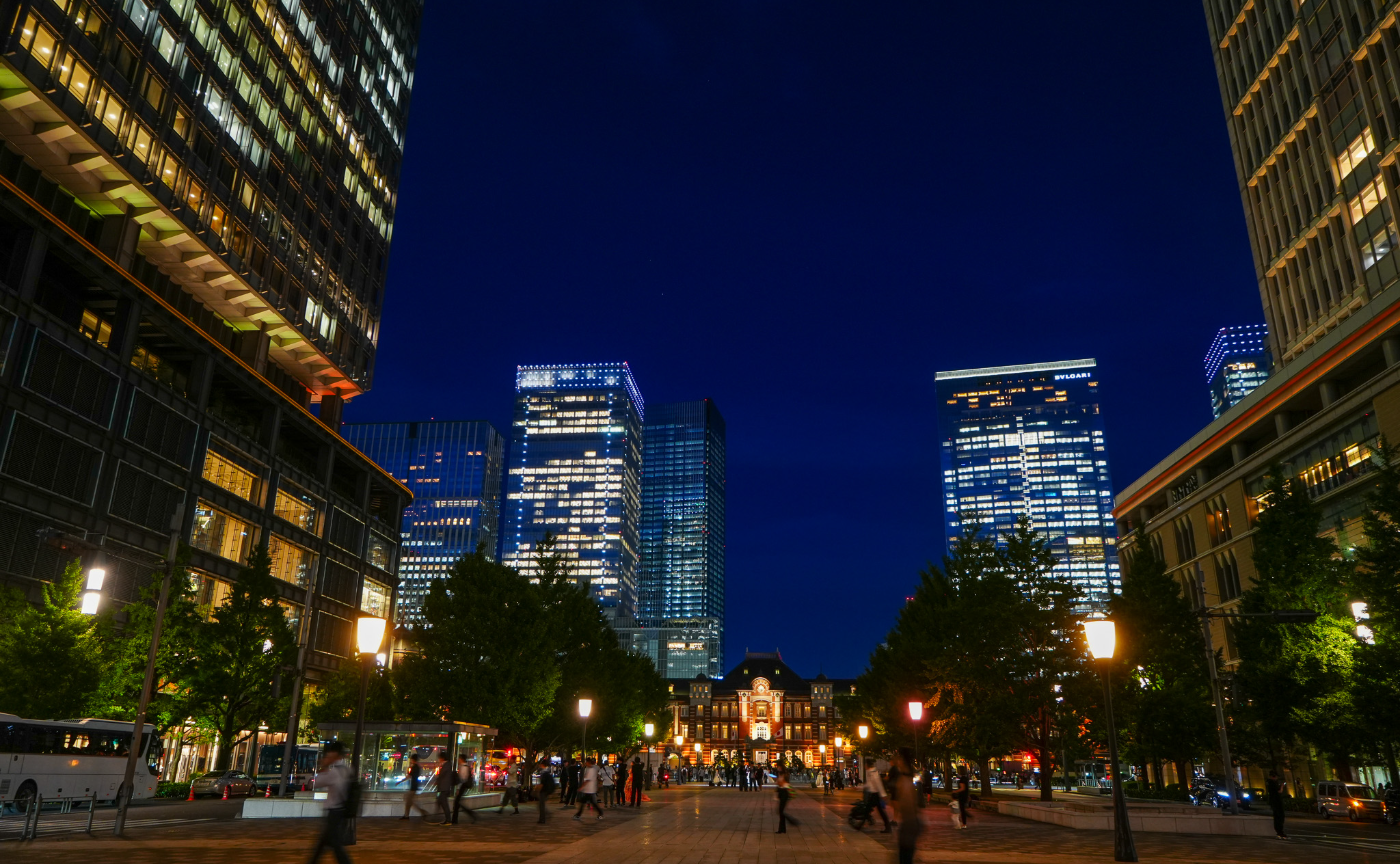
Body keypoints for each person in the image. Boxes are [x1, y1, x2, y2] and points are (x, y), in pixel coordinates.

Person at [306, 741, 353, 864]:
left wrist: (324, 767)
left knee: (335, 846)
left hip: (334, 812)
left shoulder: (334, 772)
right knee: (323, 843)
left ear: (335, 754)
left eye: (330, 753)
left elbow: (314, 784)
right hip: (342, 811)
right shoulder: (347, 770)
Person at [892, 749, 922, 864]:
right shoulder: (905, 778)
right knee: (905, 855)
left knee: (905, 856)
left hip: (909, 822)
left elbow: (908, 803)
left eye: (899, 758)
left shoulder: (905, 780)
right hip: (909, 822)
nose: (897, 761)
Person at [863, 759, 892, 832]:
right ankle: (887, 826)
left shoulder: (873, 773)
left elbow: (879, 785)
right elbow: (869, 784)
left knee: (870, 809)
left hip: (875, 794)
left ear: (867, 765)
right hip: (873, 793)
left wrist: (883, 795)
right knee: (872, 809)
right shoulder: (870, 772)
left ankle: (862, 823)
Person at [401, 753, 431, 821]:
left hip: (413, 787)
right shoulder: (417, 767)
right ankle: (407, 815)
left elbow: (408, 776)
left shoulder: (414, 767)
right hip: (415, 786)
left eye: (411, 759)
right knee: (410, 802)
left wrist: (399, 782)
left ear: (413, 759)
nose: (410, 760)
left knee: (410, 802)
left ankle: (421, 812)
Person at [453, 755, 478, 824]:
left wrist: (458, 788)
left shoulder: (463, 767)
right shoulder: (466, 766)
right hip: (464, 786)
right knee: (458, 803)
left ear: (462, 759)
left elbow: (462, 779)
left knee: (457, 803)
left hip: (462, 786)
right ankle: (455, 819)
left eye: (459, 759)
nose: (458, 760)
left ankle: (455, 820)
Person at [775, 764, 799, 833]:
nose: (778, 769)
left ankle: (791, 821)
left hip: (784, 793)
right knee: (780, 812)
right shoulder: (780, 775)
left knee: (780, 811)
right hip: (781, 792)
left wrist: (779, 782)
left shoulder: (785, 775)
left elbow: (783, 783)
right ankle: (782, 829)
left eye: (779, 767)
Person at [434, 755, 457, 826]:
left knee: (444, 804)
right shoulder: (447, 765)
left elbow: (442, 776)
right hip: (443, 788)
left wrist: (437, 780)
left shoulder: (446, 765)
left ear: (442, 758)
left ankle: (448, 820)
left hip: (444, 788)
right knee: (441, 801)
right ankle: (444, 818)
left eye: (440, 758)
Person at [1266, 770, 1288, 840]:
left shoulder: (1270, 783)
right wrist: (1282, 786)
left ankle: (1279, 831)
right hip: (1276, 802)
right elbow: (1279, 791)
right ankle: (1279, 831)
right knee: (1279, 816)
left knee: (1278, 816)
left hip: (1275, 802)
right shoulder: (1272, 783)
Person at [536, 759, 556, 823]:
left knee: (541, 805)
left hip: (544, 790)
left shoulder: (544, 773)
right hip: (547, 790)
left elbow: (542, 783)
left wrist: (538, 789)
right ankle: (545, 816)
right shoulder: (547, 772)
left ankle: (542, 819)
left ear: (542, 765)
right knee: (541, 804)